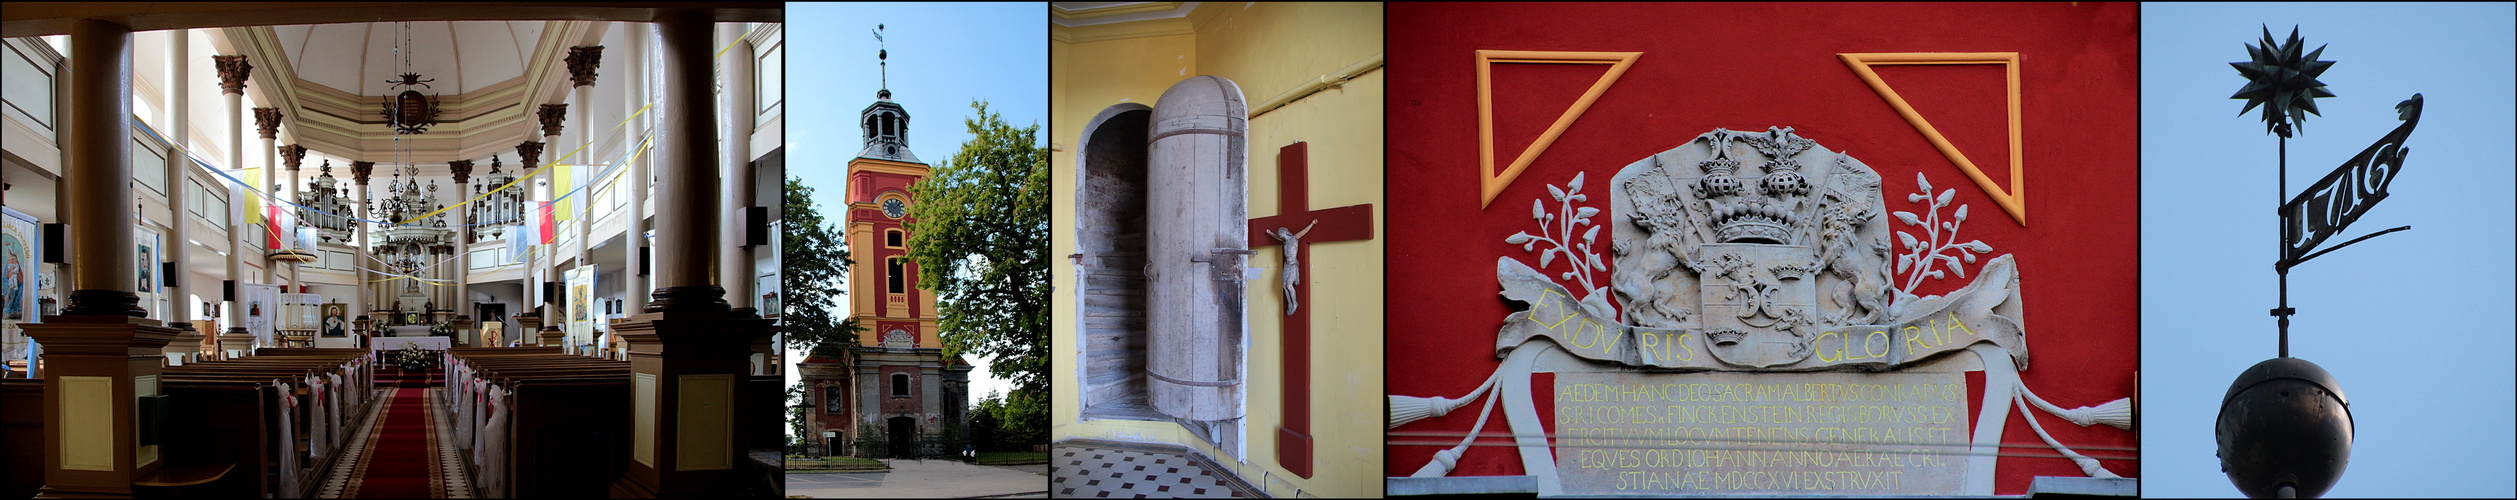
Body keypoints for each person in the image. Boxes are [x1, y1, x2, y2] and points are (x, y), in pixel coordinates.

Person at [1264, 220, 1318, 315]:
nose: (1281, 237)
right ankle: (1290, 303)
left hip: (1292, 265)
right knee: (1284, 286)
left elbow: (1304, 231)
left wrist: (1312, 224)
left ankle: (1294, 303)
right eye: (1281, 236)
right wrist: (1270, 233)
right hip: (1286, 265)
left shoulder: (1294, 238)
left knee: (1289, 285)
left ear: (1285, 233)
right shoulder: (1284, 241)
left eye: (1282, 235)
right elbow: (1277, 237)